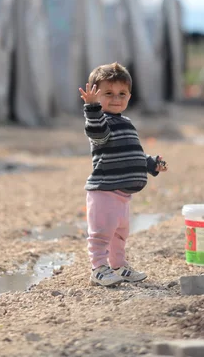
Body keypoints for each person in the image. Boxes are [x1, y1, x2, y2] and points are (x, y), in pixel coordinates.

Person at [79, 62, 168, 287]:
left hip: (122, 195)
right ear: (96, 95)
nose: (116, 99)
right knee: (101, 233)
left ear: (129, 96)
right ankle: (98, 268)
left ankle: (118, 266)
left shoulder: (126, 122)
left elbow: (132, 153)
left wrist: (150, 163)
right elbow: (97, 133)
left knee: (120, 234)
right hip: (104, 191)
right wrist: (91, 107)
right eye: (108, 93)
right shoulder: (101, 121)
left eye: (122, 94)